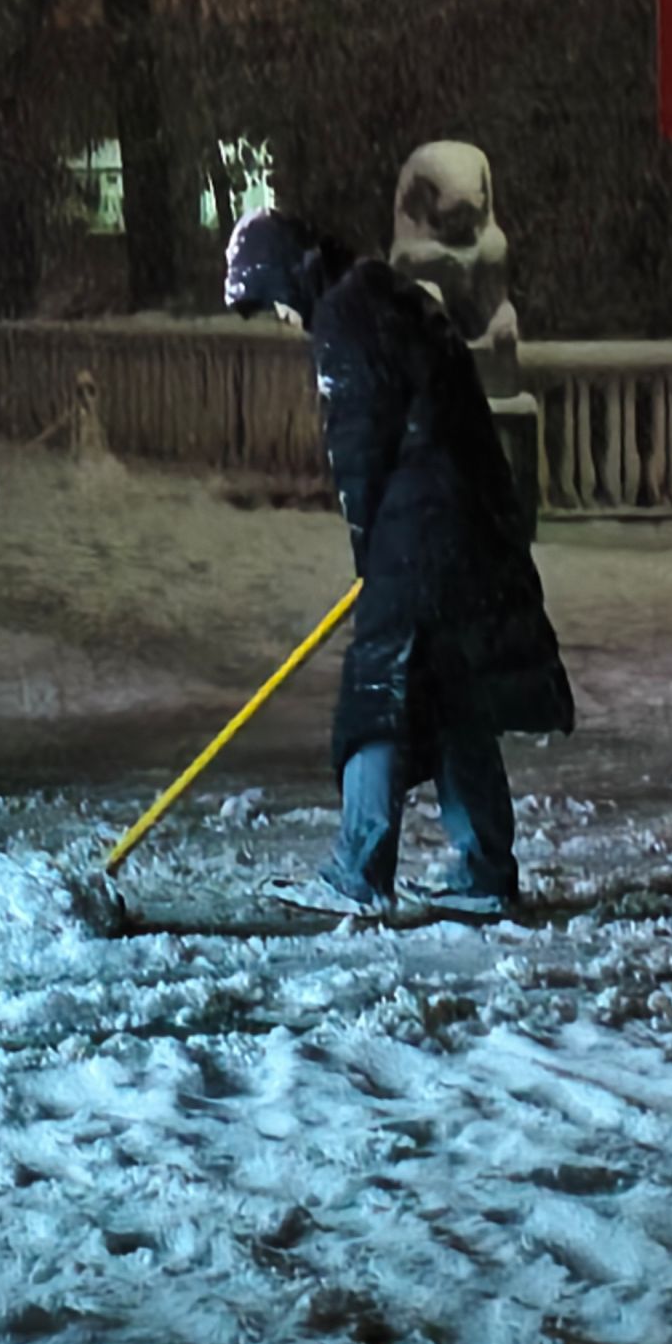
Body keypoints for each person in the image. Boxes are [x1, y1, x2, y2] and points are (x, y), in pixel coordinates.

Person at [224, 208, 575, 919]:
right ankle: (483, 869)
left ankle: (359, 868)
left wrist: (372, 556)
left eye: (273, 304)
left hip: (418, 526)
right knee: (452, 691)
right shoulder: (384, 294)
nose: (284, 320)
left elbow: (360, 446)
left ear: (285, 276)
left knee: (377, 692)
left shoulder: (345, 319)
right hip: (468, 519)